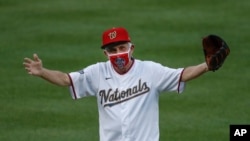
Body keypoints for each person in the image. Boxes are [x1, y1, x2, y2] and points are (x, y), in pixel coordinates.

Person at [23, 27, 209, 141]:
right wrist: (42, 72)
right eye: (112, 50)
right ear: (105, 54)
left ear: (131, 48)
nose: (118, 53)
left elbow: (182, 74)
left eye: (122, 48)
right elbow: (66, 79)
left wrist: (207, 65)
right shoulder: (97, 72)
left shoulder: (150, 70)